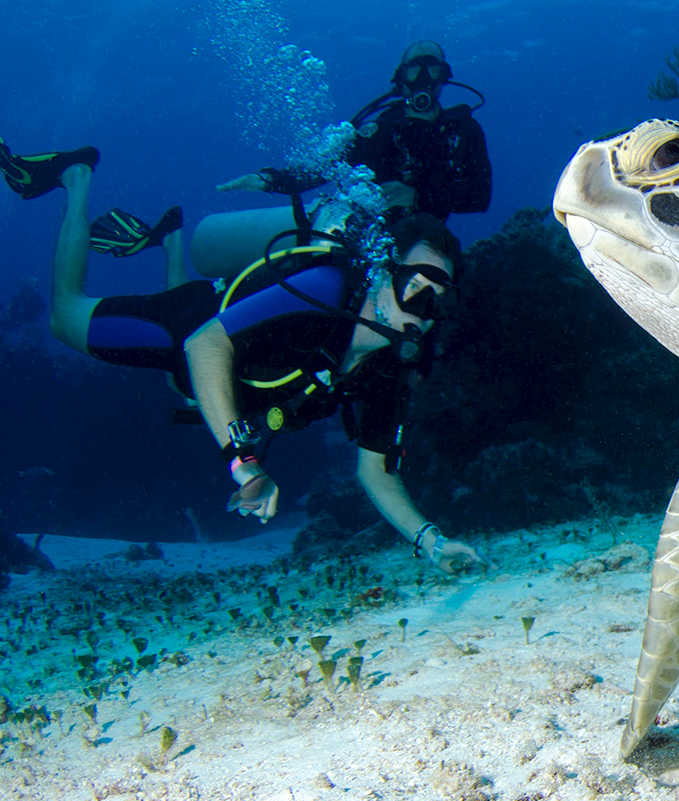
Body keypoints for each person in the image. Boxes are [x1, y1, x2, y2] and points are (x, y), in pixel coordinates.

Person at [0, 139, 485, 574]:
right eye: (416, 288)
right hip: (190, 324)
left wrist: (432, 542)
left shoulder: (387, 368)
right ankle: (77, 177)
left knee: (185, 391)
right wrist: (244, 463)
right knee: (64, 318)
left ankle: (169, 239)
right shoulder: (323, 287)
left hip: (227, 382)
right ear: (381, 273)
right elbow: (204, 344)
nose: (424, 313)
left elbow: (376, 471)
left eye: (438, 303)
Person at [222, 40, 491, 221]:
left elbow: (479, 197)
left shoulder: (462, 130)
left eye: (432, 67)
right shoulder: (381, 130)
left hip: (424, 239)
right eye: (413, 68)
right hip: (369, 234)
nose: (423, 77)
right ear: (401, 79)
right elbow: (324, 168)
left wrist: (418, 197)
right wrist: (270, 180)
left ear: (444, 75)